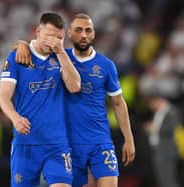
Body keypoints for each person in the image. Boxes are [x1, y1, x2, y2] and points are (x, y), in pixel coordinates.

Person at [13, 13, 135, 187]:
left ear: (93, 34)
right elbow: (35, 48)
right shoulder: (57, 57)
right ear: (69, 34)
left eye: (88, 30)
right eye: (78, 30)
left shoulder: (106, 65)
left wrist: (129, 139)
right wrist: (22, 44)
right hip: (69, 144)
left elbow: (118, 102)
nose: (83, 35)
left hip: (100, 140)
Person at [0, 12, 81, 187]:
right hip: (26, 144)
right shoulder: (17, 57)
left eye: (58, 38)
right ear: (38, 31)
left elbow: (74, 87)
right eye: (50, 36)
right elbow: (4, 98)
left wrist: (60, 53)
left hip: (56, 144)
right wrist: (15, 118)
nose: (53, 42)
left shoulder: (62, 57)